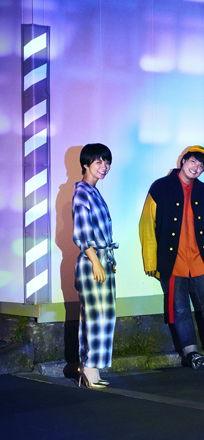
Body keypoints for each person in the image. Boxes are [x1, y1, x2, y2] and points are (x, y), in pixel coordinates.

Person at [139, 145, 204, 369]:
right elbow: (146, 223)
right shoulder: (161, 186)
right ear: (183, 161)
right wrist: (151, 260)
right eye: (193, 162)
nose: (196, 168)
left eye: (201, 166)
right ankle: (191, 352)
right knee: (180, 309)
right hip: (173, 261)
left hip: (200, 259)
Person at [72, 143, 118, 388]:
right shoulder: (82, 193)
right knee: (95, 315)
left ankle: (92, 366)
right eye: (98, 162)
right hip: (92, 260)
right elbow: (82, 233)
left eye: (106, 162)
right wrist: (96, 262)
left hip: (102, 259)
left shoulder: (93, 192)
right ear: (85, 164)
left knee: (104, 315)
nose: (104, 167)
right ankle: (88, 367)